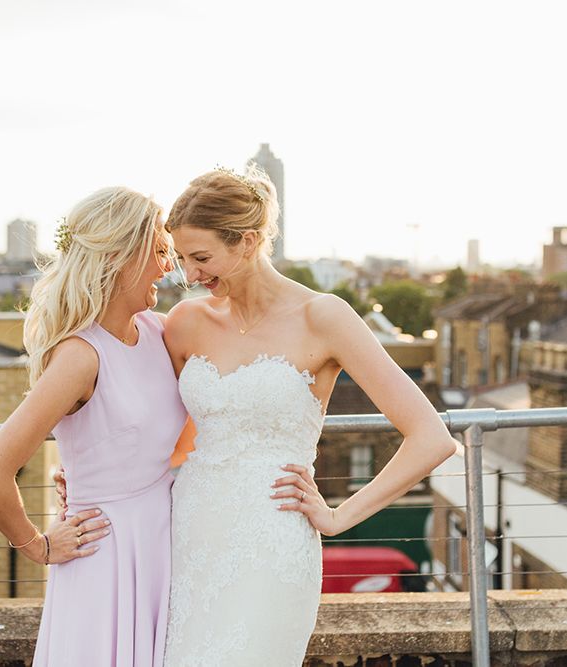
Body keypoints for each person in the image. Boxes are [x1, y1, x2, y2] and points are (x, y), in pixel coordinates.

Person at [158, 165, 457, 666]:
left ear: (248, 241)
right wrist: (84, 480)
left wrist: (339, 517)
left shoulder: (325, 317)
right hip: (189, 533)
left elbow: (431, 438)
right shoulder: (185, 322)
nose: (189, 275)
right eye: (182, 259)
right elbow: (154, 432)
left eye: (202, 257)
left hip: (273, 542)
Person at [0, 186, 187, 666]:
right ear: (119, 257)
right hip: (103, 556)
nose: (168, 267)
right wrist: (38, 546)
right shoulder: (78, 357)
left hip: (162, 545)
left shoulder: (159, 332)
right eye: (159, 252)